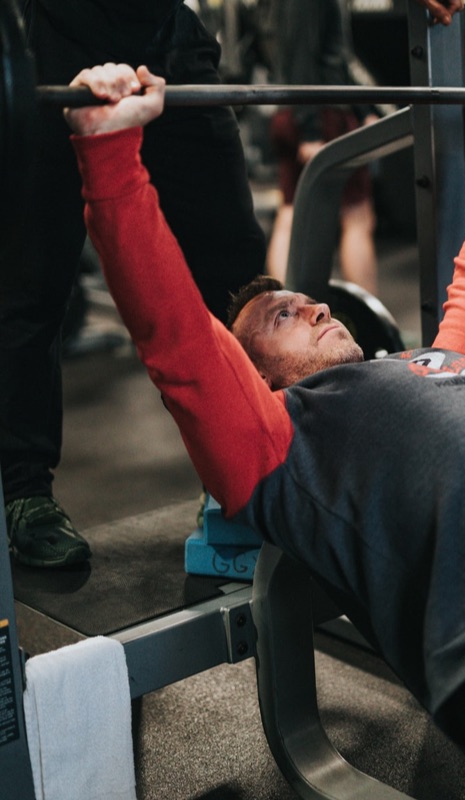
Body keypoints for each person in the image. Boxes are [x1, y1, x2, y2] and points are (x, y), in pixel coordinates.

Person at [65, 63, 465, 800]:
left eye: (308, 301)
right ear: (254, 381)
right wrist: (111, 156)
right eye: (283, 316)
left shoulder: (437, 363)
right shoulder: (281, 440)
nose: (316, 307)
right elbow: (174, 336)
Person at [0, 0, 266, 567]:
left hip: (166, 35)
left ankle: (251, 467)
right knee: (32, 281)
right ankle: (23, 491)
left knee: (237, 271)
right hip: (52, 37)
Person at [264, 0, 380, 293]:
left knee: (290, 214)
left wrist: (364, 109)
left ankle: (284, 311)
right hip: (320, 113)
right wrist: (310, 131)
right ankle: (368, 318)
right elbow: (302, 56)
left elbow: (338, 56)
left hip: (302, 109)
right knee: (357, 217)